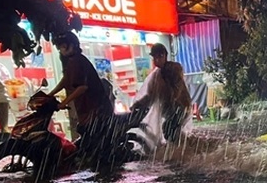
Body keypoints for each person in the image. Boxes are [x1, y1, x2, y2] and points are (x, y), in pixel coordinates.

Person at [48, 31, 114, 163]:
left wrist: (64, 102)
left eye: (62, 46)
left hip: (96, 111)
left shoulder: (77, 61)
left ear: (71, 45)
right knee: (85, 138)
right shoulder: (73, 62)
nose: (61, 50)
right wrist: (49, 95)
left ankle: (104, 168)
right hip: (88, 111)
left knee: (94, 146)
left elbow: (82, 87)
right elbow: (66, 80)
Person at [130, 43, 193, 150]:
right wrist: (138, 104)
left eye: (159, 56)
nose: (156, 60)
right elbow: (151, 95)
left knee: (169, 129)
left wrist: (174, 99)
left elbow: (177, 88)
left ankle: (183, 151)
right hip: (170, 110)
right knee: (172, 132)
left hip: (179, 107)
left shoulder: (173, 69)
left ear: (164, 56)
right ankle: (184, 149)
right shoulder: (156, 75)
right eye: (154, 57)